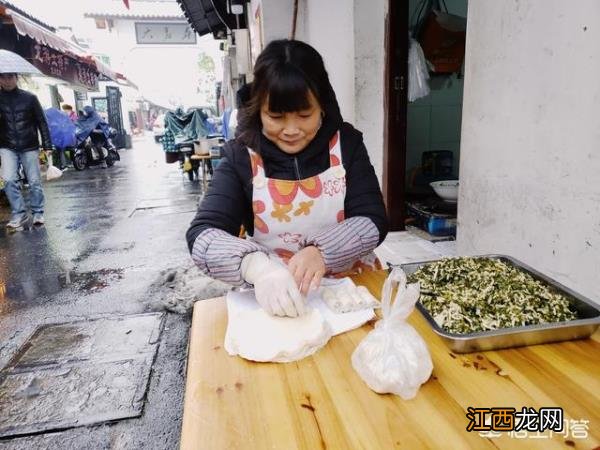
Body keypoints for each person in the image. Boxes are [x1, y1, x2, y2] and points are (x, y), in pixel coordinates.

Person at [186, 40, 388, 318]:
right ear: (258, 109)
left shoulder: (347, 144)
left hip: (351, 289)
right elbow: (203, 234)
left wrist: (322, 251)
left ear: (322, 106)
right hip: (273, 295)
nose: (291, 130)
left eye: (305, 115)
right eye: (276, 116)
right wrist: (256, 267)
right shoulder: (240, 156)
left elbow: (373, 218)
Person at [0, 72, 53, 229]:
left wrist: (47, 146)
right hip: (6, 145)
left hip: (29, 145)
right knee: (9, 180)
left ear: (17, 78)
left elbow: (42, 122)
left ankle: (38, 211)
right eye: (3, 77)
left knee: (34, 180)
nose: (7, 80)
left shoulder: (30, 98)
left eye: (10, 77)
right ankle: (19, 213)